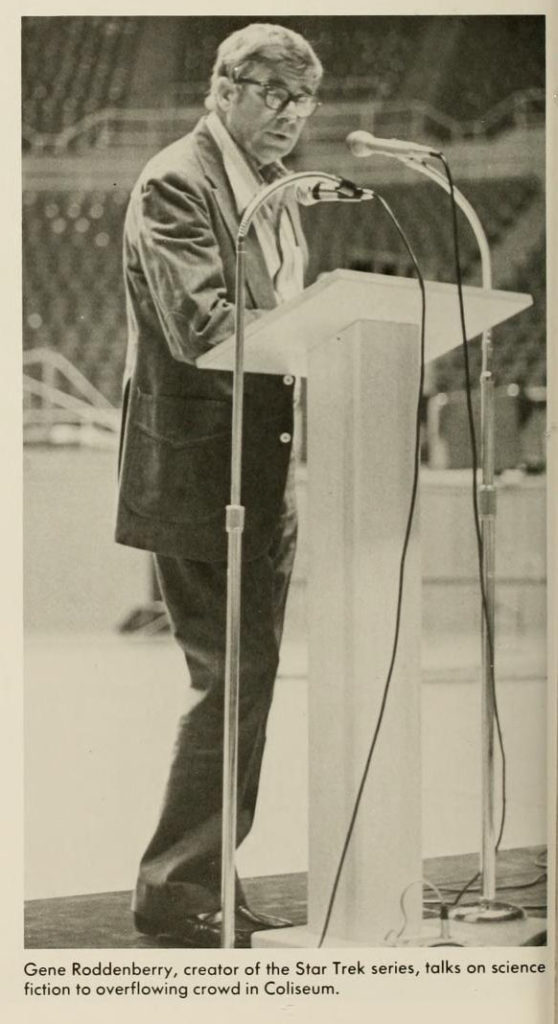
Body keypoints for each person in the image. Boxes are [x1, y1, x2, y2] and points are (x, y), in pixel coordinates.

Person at [115, 22, 323, 947]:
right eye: (274, 93)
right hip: (202, 470)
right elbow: (204, 323)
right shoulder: (176, 181)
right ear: (224, 89)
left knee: (248, 675)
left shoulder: (270, 191)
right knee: (227, 676)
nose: (291, 114)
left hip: (260, 467)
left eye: (303, 98)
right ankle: (175, 884)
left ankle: (205, 875)